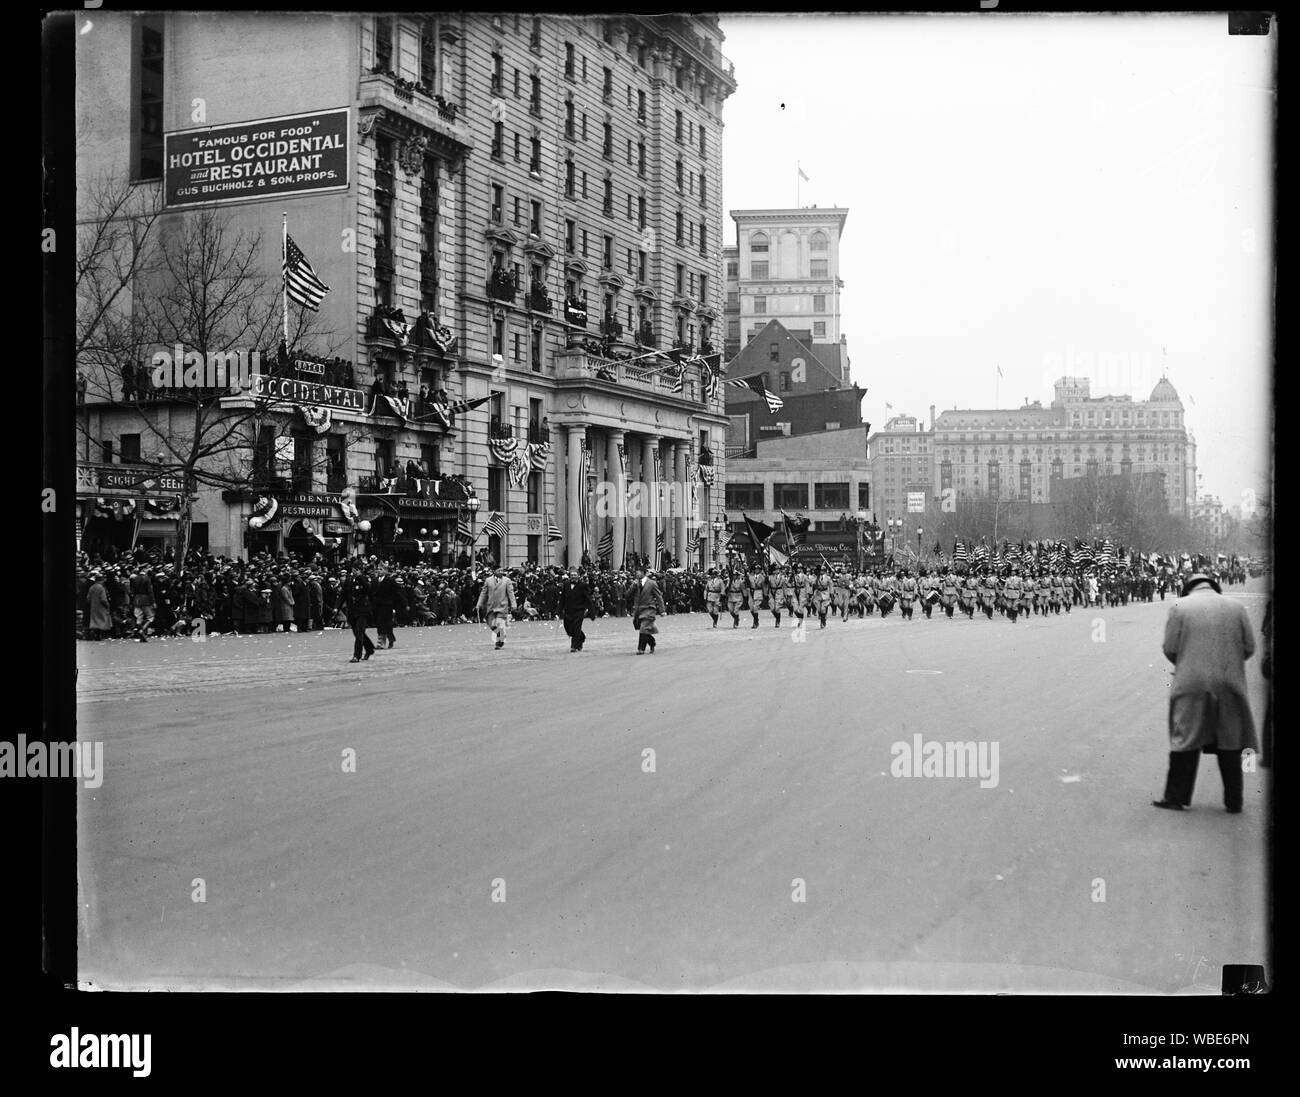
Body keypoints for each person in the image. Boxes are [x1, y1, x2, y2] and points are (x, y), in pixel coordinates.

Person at [1153, 573, 1257, 813]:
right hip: (1229, 682)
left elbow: (1170, 648)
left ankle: (1176, 797)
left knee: (1186, 737)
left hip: (1192, 682)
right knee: (1230, 739)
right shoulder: (1237, 607)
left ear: (1188, 588)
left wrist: (1187, 662)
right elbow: (1249, 646)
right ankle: (1233, 801)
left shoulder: (1179, 606)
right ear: (1214, 587)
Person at [476, 565, 516, 649]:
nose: (501, 572)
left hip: (502, 606)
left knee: (499, 623)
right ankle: (499, 634)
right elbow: (484, 593)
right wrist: (479, 604)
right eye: (499, 570)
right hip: (491, 606)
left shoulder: (507, 581)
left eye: (502, 570)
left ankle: (499, 641)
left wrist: (513, 604)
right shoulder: (488, 580)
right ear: (494, 571)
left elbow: (510, 593)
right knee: (491, 624)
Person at [341, 566, 376, 662]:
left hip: (363, 610)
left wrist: (360, 577)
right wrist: (337, 607)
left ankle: (357, 655)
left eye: (357, 570)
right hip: (352, 611)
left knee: (359, 631)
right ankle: (369, 649)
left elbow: (369, 589)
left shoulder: (364, 579)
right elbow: (343, 595)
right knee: (357, 633)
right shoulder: (349, 580)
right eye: (353, 569)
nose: (355, 571)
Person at [631, 567, 666, 654]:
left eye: (638, 572)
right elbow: (627, 594)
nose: (637, 574)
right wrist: (633, 586)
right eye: (636, 572)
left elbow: (659, 596)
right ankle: (652, 642)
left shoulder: (651, 583)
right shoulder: (635, 584)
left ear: (644, 573)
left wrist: (662, 610)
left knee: (643, 628)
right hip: (639, 610)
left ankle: (641, 649)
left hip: (649, 609)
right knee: (644, 629)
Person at [560, 566, 593, 652]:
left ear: (578, 576)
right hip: (568, 610)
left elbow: (588, 598)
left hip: (579, 610)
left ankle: (574, 646)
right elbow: (562, 597)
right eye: (572, 575)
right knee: (568, 628)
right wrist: (559, 609)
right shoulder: (566, 584)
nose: (573, 576)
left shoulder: (583, 585)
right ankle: (581, 637)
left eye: (575, 575)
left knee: (576, 627)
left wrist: (591, 611)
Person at [128, 566, 156, 641]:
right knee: (150, 617)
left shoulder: (135, 578)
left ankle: (140, 632)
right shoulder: (147, 578)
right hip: (145, 599)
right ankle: (142, 630)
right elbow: (150, 591)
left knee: (138, 617)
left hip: (137, 599)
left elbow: (132, 591)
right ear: (144, 569)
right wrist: (153, 601)